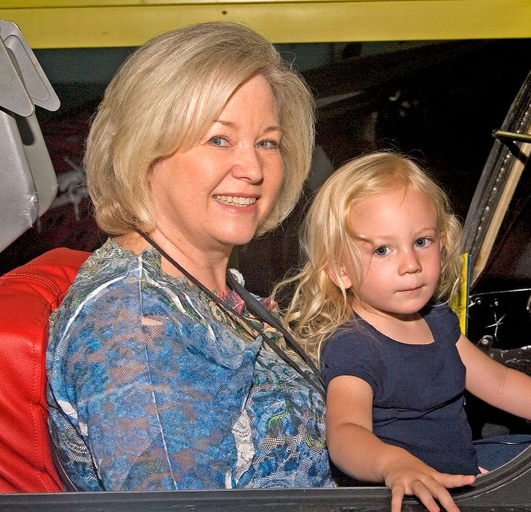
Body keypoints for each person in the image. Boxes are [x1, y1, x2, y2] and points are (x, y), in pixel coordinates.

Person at [45, 21, 334, 491]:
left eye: (267, 142)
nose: (254, 169)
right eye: (219, 139)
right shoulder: (137, 324)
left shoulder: (206, 288)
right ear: (145, 150)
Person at [275, 152, 531, 512]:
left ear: (442, 241)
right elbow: (346, 433)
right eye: (383, 250)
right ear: (340, 271)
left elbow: (501, 384)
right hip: (406, 498)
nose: (411, 265)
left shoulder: (437, 320)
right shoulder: (354, 347)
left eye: (422, 242)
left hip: (460, 485)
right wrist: (393, 465)